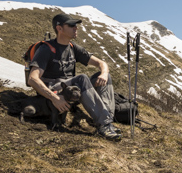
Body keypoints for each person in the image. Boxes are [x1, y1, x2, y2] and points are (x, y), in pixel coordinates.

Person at [27, 13, 122, 141]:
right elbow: (32, 79)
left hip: (70, 89)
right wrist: (54, 97)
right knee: (82, 78)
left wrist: (104, 73)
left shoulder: (72, 47)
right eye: (71, 25)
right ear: (59, 28)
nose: (75, 28)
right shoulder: (46, 49)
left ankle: (106, 121)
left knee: (105, 76)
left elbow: (101, 63)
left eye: (76, 25)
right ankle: (104, 124)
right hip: (55, 89)